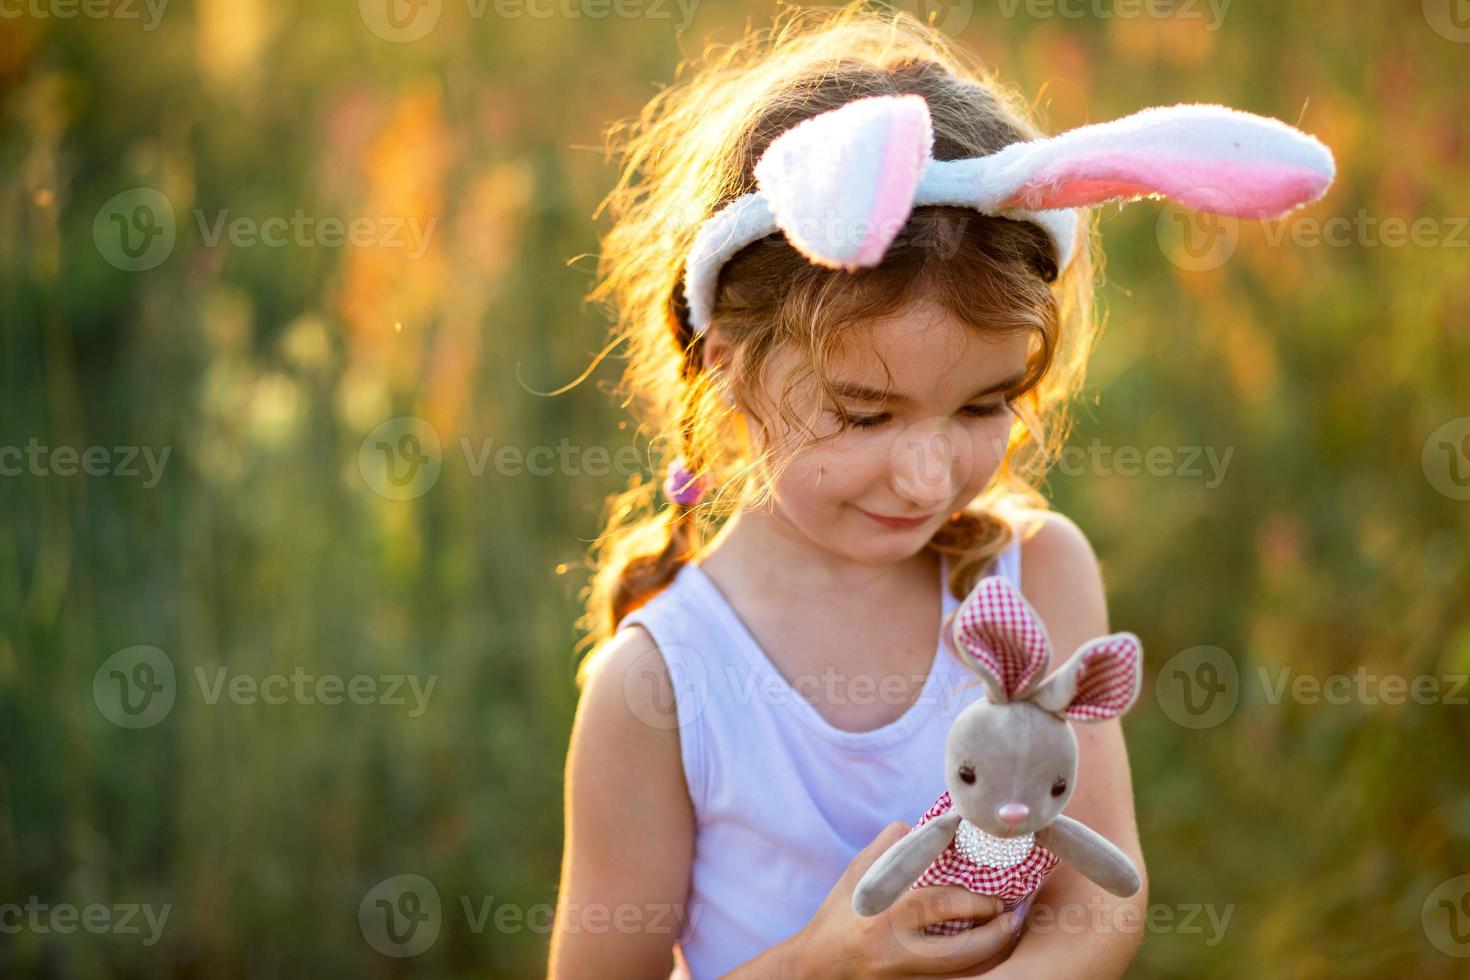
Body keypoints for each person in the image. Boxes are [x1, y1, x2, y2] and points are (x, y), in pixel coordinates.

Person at [549, 4, 1332, 977]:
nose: (929, 476)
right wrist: (821, 959)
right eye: (865, 414)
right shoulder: (662, 683)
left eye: (983, 404)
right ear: (730, 367)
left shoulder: (1039, 576)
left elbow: (1095, 904)